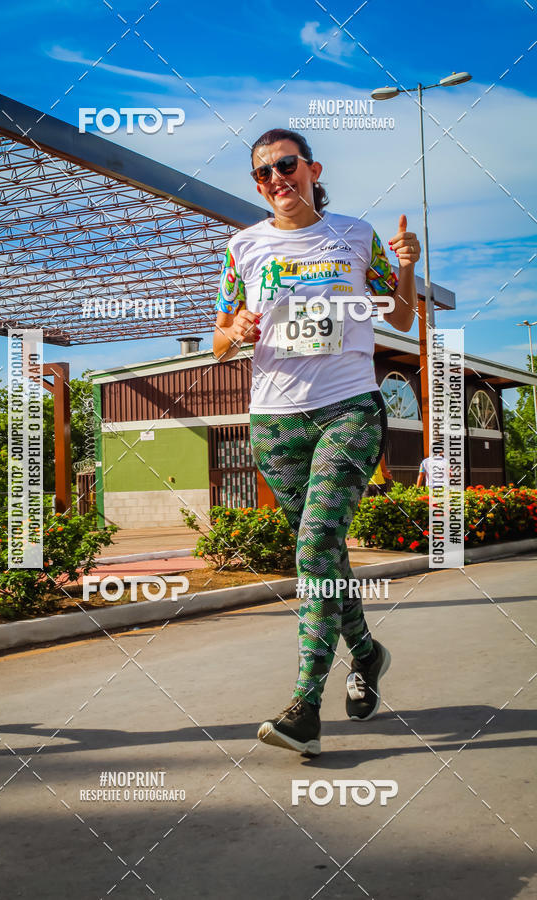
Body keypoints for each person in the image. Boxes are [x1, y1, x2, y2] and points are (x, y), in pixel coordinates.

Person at [213, 128, 420, 756]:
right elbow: (218, 339)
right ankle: (367, 652)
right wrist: (238, 330)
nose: (276, 179)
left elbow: (402, 316)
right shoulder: (243, 247)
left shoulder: (356, 236)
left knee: (313, 549)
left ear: (312, 169)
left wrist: (406, 270)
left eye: (286, 165)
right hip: (276, 422)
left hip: (349, 410)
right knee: (324, 553)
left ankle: (305, 707)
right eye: (263, 174)